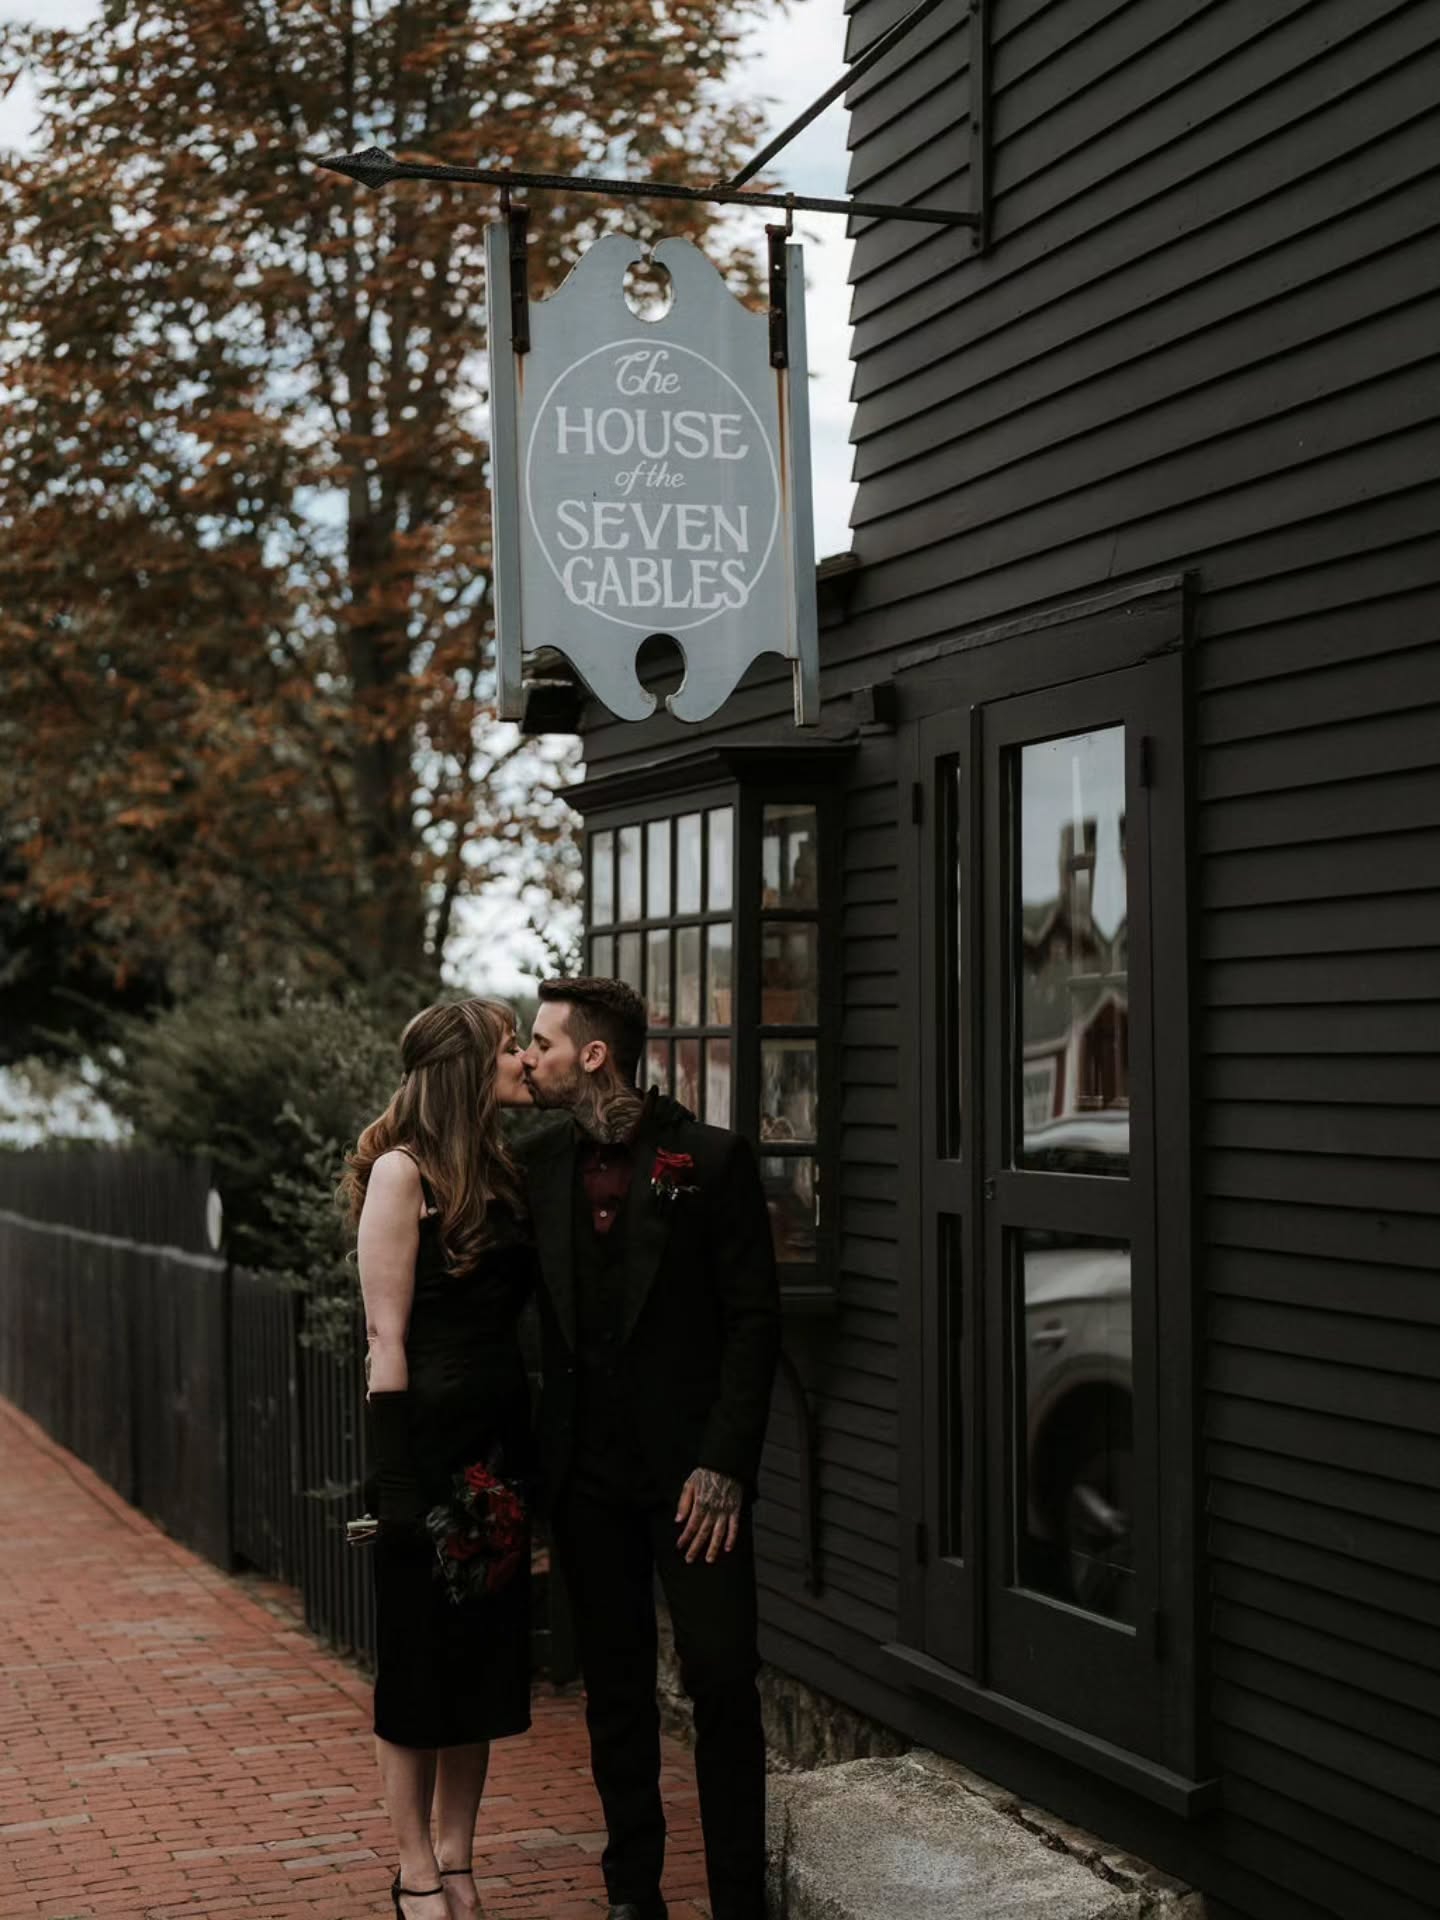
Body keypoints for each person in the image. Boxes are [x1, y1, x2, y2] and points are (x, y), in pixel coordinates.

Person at [519, 977, 781, 1920]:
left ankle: (738, 1901)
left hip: (693, 1483)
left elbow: (754, 1324)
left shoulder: (708, 1158)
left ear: (593, 1054)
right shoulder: (535, 1159)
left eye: (540, 1041)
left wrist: (725, 1465)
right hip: (584, 1478)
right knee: (616, 1690)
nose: (526, 1055)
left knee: (720, 1682)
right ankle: (634, 1892)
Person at [342, 998, 536, 1920]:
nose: (523, 1060)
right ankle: (415, 1868)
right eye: (509, 1047)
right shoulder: (399, 1173)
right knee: (419, 1668)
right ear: (466, 1065)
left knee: (486, 1665)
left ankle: (461, 1857)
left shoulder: (503, 1169)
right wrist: (397, 1488)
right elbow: (385, 1337)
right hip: (426, 1459)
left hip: (499, 1458)